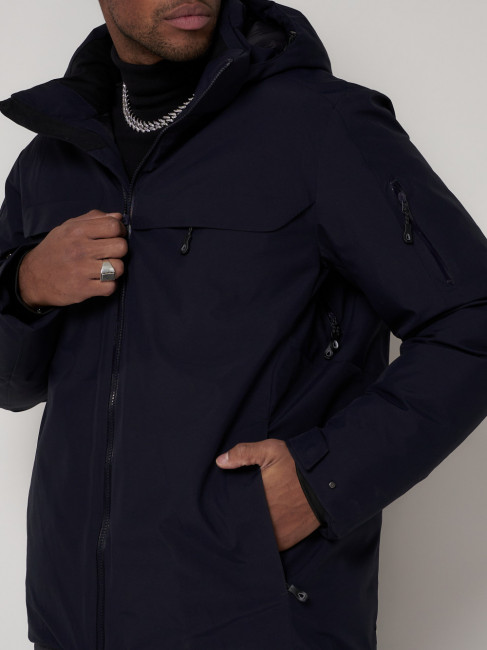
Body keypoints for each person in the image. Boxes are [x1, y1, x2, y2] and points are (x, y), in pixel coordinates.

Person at [1, 0, 486, 648]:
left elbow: (470, 318)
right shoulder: (50, 160)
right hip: (71, 623)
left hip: (254, 617)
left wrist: (323, 482)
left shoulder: (320, 124)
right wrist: (24, 285)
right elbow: (12, 386)